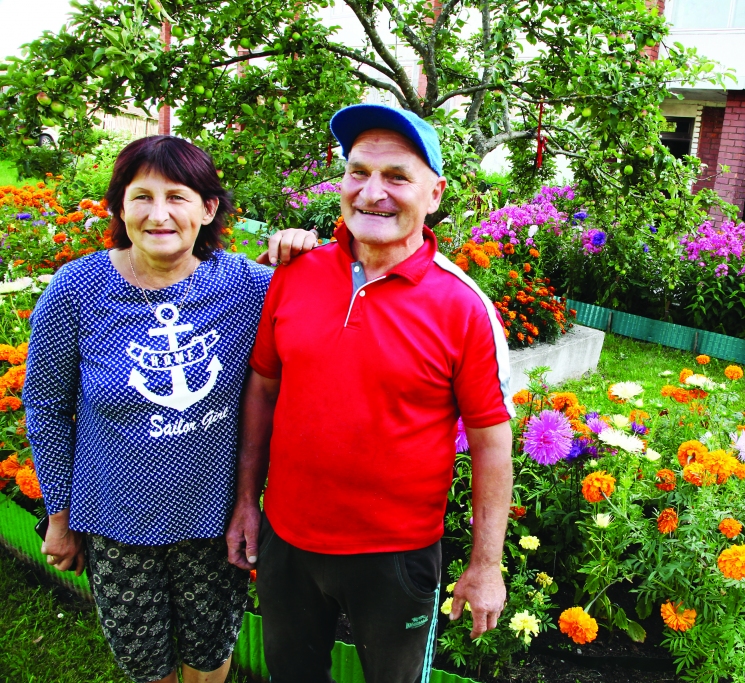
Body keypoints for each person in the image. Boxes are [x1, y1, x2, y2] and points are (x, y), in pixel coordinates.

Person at [225, 104, 515, 683]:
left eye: (397, 177)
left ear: (434, 194)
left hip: (396, 556)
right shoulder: (296, 272)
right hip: (289, 540)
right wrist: (247, 503)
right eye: (358, 172)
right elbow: (262, 389)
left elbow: (491, 441)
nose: (372, 192)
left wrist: (486, 565)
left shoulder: (464, 308)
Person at [23, 135, 316, 683]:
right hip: (115, 525)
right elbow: (44, 405)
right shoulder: (76, 289)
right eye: (142, 196)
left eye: (178, 197)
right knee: (145, 665)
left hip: (212, 522)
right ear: (118, 207)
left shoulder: (248, 287)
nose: (159, 215)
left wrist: (305, 253)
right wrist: (59, 517)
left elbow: (341, 300)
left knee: (208, 658)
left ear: (207, 209)